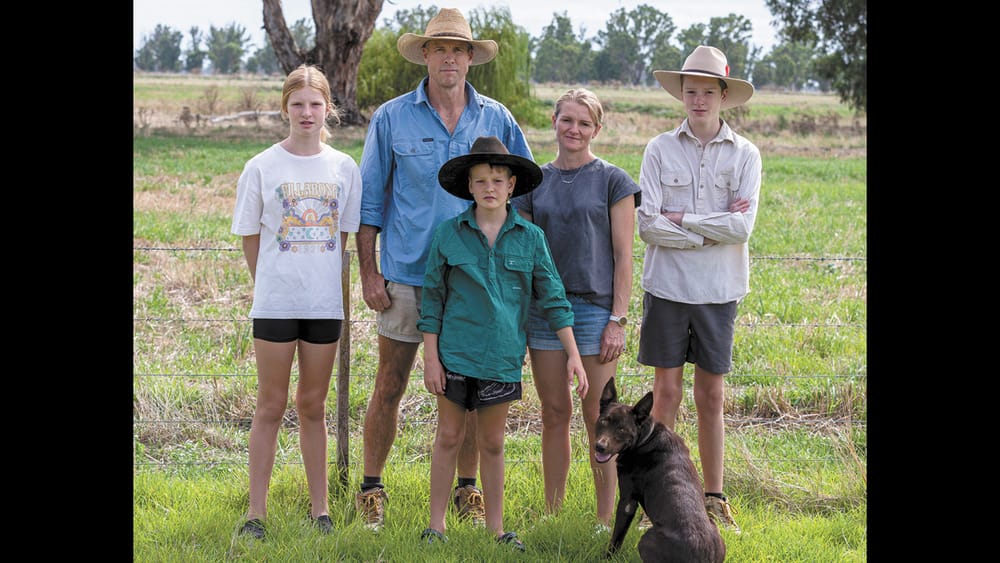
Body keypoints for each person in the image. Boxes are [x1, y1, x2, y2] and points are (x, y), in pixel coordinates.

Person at [354, 7, 534, 531]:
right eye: (440, 49)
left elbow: (521, 194)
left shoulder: (496, 119)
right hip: (408, 275)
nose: (450, 58)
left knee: (474, 390)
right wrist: (370, 274)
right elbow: (370, 203)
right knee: (390, 380)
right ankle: (371, 487)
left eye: (460, 49)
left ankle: (467, 490)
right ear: (426, 55)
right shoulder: (391, 118)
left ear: (471, 58)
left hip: (479, 284)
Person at [418, 136, 588, 551]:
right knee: (448, 437)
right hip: (455, 354)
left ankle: (497, 528)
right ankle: (435, 526)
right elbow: (432, 299)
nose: (489, 188)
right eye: (480, 181)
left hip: (502, 358)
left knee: (493, 443)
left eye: (498, 180)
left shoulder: (530, 238)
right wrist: (430, 357)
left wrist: (574, 355)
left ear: (512, 185)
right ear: (469, 188)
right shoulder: (448, 235)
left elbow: (553, 298)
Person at [230, 64, 362, 539]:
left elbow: (343, 237)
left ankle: (321, 510)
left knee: (313, 405)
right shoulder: (262, 166)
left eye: (315, 104)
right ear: (284, 107)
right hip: (275, 304)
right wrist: (273, 282)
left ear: (329, 108)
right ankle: (256, 514)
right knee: (270, 403)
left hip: (324, 305)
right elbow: (249, 236)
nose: (307, 112)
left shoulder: (344, 167)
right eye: (298, 103)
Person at [636, 45, 761, 535]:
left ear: (724, 95)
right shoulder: (659, 149)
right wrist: (709, 230)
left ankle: (713, 496)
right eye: (691, 91)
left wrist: (682, 220)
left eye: (708, 91)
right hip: (667, 288)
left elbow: (742, 226)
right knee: (664, 394)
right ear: (681, 94)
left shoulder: (746, 154)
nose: (699, 99)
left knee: (711, 397)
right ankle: (659, 498)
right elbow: (647, 225)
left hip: (719, 290)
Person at [512, 88, 640, 529]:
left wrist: (617, 320)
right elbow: (525, 253)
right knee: (554, 412)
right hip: (546, 311)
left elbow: (624, 256)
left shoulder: (613, 180)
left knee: (599, 420)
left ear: (597, 129)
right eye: (567, 120)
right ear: (554, 121)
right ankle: (553, 514)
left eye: (584, 123)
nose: (575, 129)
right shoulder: (531, 184)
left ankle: (606, 517)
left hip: (594, 311)